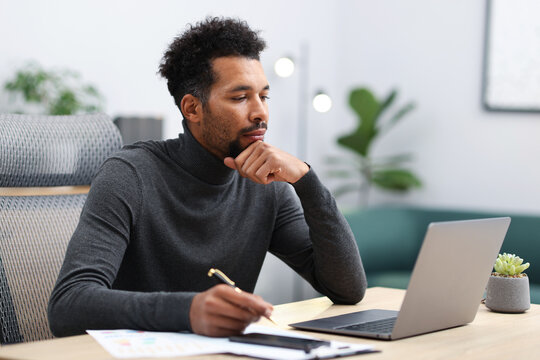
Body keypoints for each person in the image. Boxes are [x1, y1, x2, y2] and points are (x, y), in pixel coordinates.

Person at [48, 17, 367, 338]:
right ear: (192, 109)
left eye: (264, 96)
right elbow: (68, 305)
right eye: (240, 97)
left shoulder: (267, 187)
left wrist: (306, 181)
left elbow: (347, 289)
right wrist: (187, 311)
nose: (261, 113)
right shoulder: (130, 175)